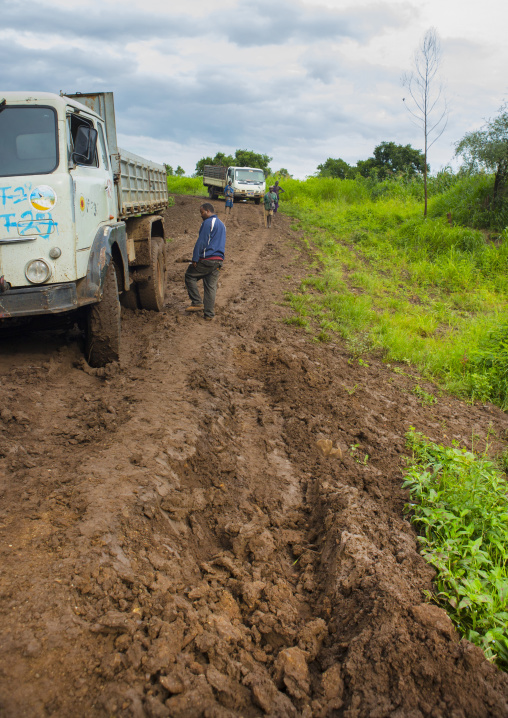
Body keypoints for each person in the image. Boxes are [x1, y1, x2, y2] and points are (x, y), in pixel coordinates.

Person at [184, 203, 226, 320]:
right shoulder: (222, 225)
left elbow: (202, 241)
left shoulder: (208, 223)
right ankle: (209, 315)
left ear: (208, 211)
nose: (201, 215)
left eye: (202, 213)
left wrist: (195, 258)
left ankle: (197, 301)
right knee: (210, 287)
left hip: (207, 259)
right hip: (218, 261)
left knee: (189, 276)